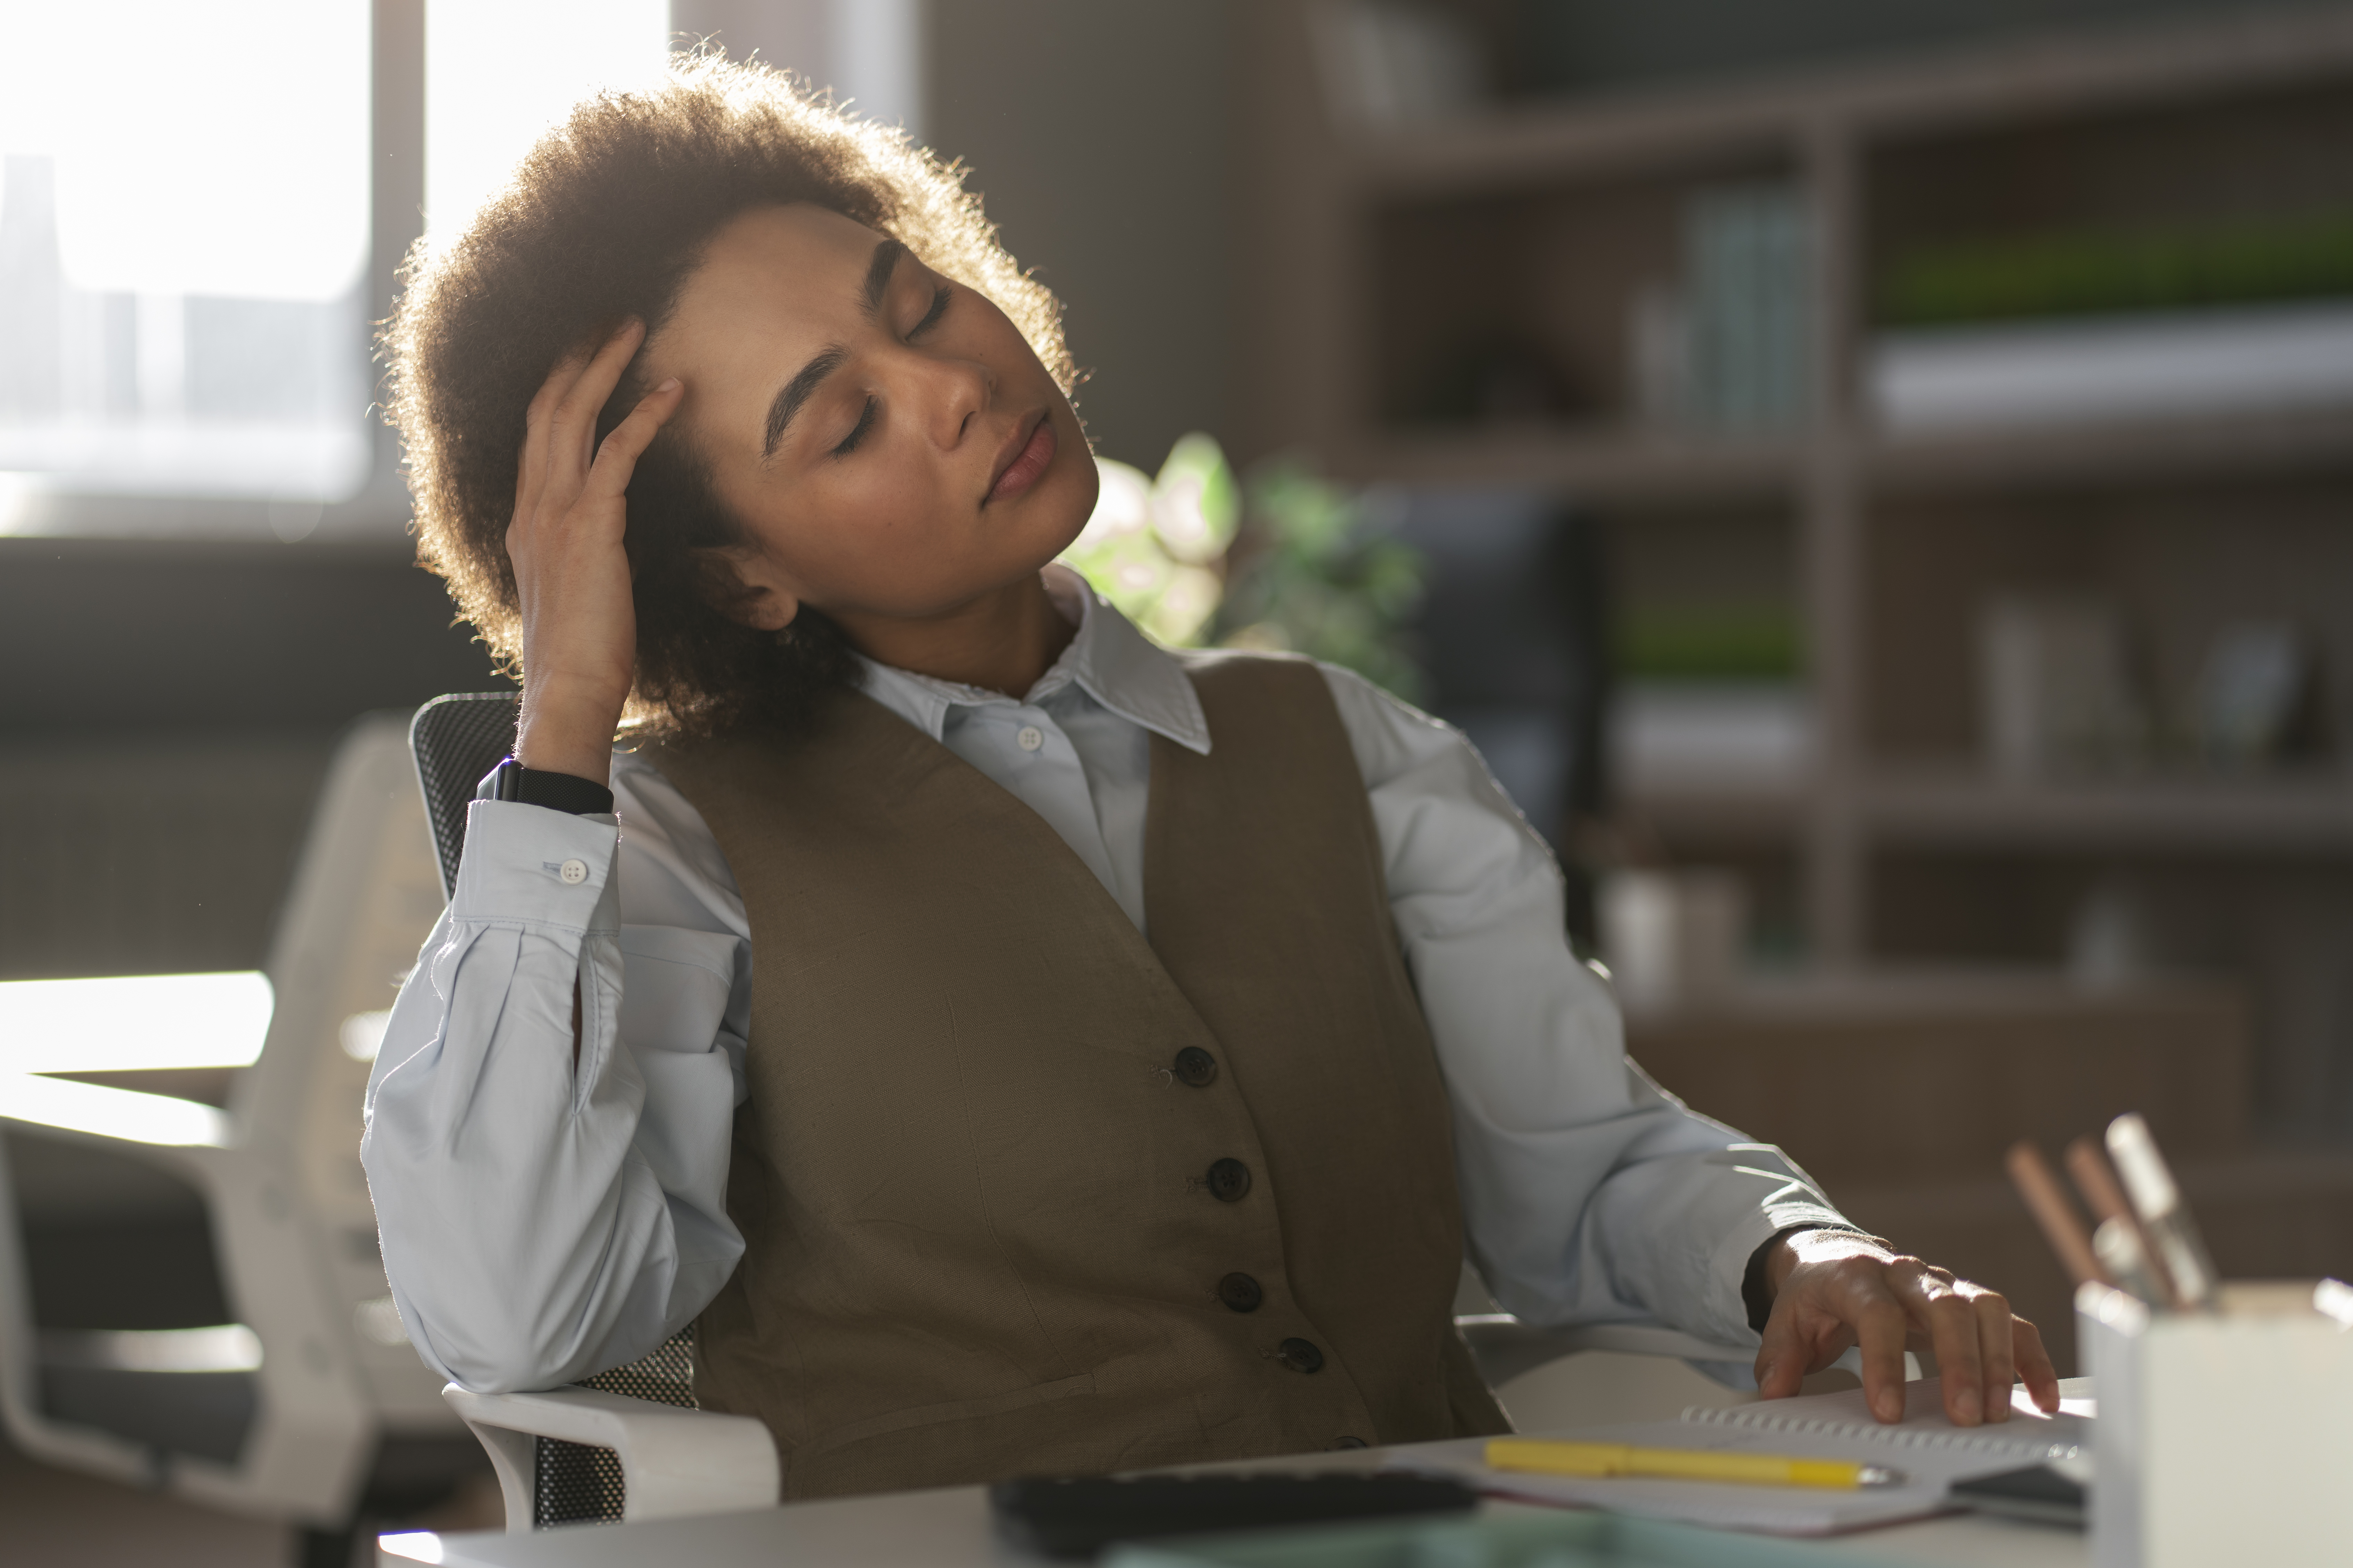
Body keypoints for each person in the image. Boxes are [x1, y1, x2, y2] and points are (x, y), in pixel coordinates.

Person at [361, 55, 2056, 1501]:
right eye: (847, 423)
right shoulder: (670, 849)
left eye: (919, 301)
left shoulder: (1354, 752)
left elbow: (1580, 1167)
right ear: (740, 577)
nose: (957, 386)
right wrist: (566, 715)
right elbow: (526, 1320)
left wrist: (1795, 1246)